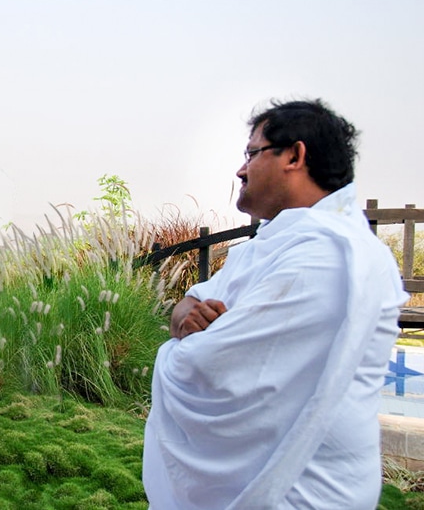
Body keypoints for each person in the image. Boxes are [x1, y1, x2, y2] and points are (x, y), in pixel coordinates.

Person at [142, 99, 408, 509]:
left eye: (251, 153)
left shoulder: (330, 255)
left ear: (295, 156)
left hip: (304, 488)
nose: (240, 170)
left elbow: (210, 367)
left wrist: (177, 350)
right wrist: (186, 321)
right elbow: (189, 304)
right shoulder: (268, 244)